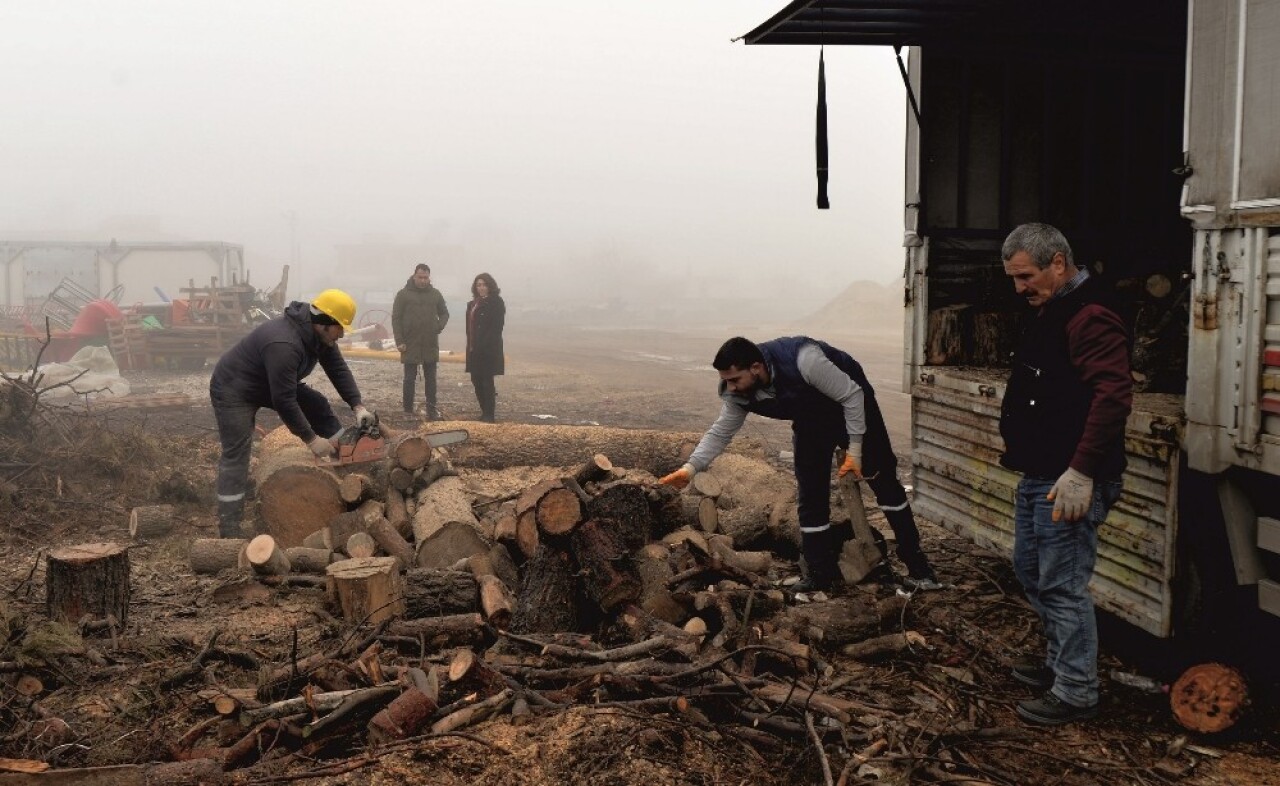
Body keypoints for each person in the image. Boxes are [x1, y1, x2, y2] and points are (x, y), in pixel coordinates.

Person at [660, 336, 939, 593]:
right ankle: (820, 575)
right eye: (727, 381)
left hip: (852, 406)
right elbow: (721, 432)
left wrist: (855, 451)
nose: (730, 387)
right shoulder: (737, 394)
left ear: (756, 367)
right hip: (810, 419)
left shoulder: (806, 361)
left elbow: (852, 395)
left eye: (735, 379)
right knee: (811, 492)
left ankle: (920, 570)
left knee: (885, 485)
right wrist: (691, 467)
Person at [999, 223, 1132, 725]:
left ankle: (1076, 690)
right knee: (1031, 572)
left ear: (1058, 262)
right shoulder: (1054, 309)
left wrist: (1081, 471)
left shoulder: (1090, 315)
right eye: (1014, 279)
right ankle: (1059, 665)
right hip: (1042, 472)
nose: (1020, 288)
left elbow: (1113, 396)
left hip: (1068, 478)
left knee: (1062, 584)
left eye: (1026, 276)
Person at [208, 289, 373, 538]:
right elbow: (284, 401)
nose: (340, 334)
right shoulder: (285, 343)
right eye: (340, 328)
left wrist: (358, 406)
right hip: (234, 389)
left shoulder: (319, 335)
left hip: (270, 382)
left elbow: (337, 369)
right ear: (326, 323)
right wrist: (311, 439)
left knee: (316, 404)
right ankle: (229, 525)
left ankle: (347, 455)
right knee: (237, 452)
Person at [392, 263, 450, 419]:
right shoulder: (403, 295)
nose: (423, 280)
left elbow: (444, 313)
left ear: (429, 278)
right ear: (414, 276)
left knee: (431, 380)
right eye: (420, 277)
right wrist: (399, 341)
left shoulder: (435, 294)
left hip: (430, 343)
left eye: (426, 277)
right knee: (409, 379)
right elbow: (396, 319)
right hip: (409, 343)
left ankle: (431, 410)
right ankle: (408, 411)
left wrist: (438, 326)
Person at [465, 273, 505, 423]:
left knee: (487, 381)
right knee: (476, 380)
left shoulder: (496, 302)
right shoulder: (472, 304)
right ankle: (483, 411)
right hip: (473, 348)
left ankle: (489, 414)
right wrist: (471, 346)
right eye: (478, 285)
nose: (481, 288)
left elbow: (497, 327)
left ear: (490, 286)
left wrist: (485, 345)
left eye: (484, 285)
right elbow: (469, 328)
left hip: (488, 349)